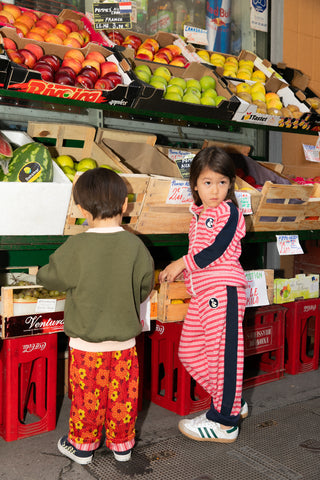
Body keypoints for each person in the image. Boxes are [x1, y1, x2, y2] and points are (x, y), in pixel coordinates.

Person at [36, 168, 154, 465]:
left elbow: (49, 277)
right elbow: (144, 286)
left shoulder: (77, 246)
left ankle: (83, 447)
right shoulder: (135, 245)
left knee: (87, 397)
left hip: (87, 346)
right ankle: (122, 446)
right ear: (124, 205)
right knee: (123, 399)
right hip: (125, 345)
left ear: (79, 209)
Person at [159, 146, 248, 443]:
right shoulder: (197, 215)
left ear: (230, 185)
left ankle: (225, 422)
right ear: (195, 184)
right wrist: (186, 268)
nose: (215, 190)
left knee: (222, 357)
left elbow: (216, 251)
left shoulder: (229, 212)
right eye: (208, 182)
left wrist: (181, 263)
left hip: (223, 291)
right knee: (190, 351)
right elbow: (200, 253)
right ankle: (232, 403)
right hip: (202, 294)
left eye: (222, 182)